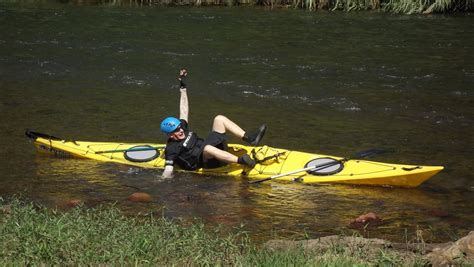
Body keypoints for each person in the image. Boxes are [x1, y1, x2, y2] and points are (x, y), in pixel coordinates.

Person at [161, 69, 266, 178]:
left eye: (180, 127)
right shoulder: (171, 149)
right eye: (177, 130)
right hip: (208, 162)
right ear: (171, 135)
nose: (181, 130)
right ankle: (242, 161)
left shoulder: (182, 127)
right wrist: (160, 182)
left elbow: (183, 109)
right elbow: (168, 169)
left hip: (212, 149)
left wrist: (183, 87)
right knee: (208, 148)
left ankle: (250, 139)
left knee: (219, 119)